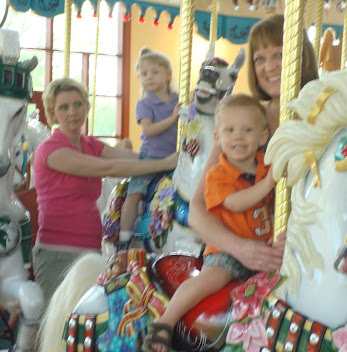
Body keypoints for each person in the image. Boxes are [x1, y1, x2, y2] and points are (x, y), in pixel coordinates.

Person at [141, 94, 275, 352]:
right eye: (230, 130)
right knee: (212, 278)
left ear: (262, 137)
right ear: (217, 137)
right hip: (227, 251)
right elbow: (236, 203)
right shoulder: (219, 173)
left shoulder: (265, 166)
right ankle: (165, 323)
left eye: (247, 130)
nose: (238, 136)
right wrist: (268, 184)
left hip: (263, 251)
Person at [188, 13, 318, 274]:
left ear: (300, 56)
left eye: (279, 54)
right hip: (242, 255)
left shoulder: (323, 119)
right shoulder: (244, 121)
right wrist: (240, 248)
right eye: (260, 58)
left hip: (308, 253)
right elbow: (198, 209)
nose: (268, 66)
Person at [32, 77, 178, 305]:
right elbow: (109, 168)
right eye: (64, 107)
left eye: (78, 104)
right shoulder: (51, 149)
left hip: (90, 251)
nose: (73, 112)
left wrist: (180, 159)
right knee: (59, 328)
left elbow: (137, 158)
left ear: (87, 107)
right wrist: (165, 163)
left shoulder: (90, 144)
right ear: (53, 112)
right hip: (58, 253)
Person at [119, 48, 181, 241]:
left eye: (155, 72)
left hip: (175, 156)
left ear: (168, 75)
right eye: (144, 74)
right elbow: (149, 130)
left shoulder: (177, 100)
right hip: (151, 156)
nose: (149, 77)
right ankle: (124, 237)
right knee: (135, 193)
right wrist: (173, 118)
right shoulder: (144, 104)